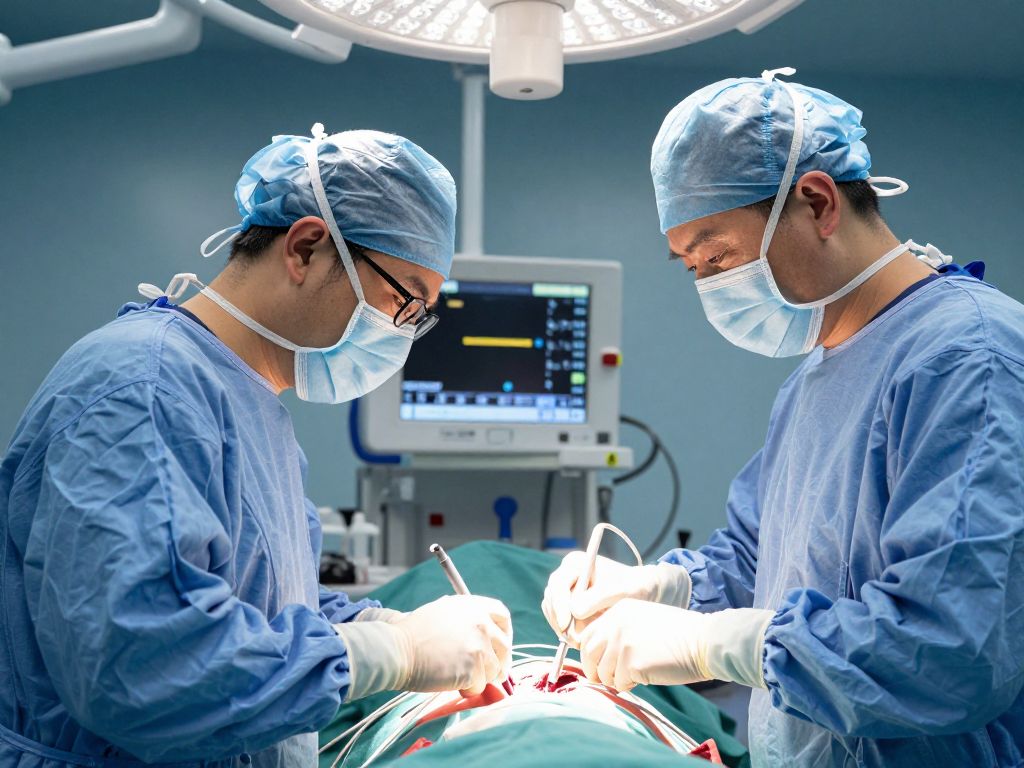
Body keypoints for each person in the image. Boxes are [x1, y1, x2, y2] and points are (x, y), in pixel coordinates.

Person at [542, 68, 1024, 766]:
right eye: (692, 268)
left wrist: (711, 644)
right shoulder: (817, 378)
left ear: (818, 202)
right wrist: (665, 588)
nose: (710, 286)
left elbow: (951, 650)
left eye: (718, 256)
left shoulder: (968, 363)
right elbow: (761, 561)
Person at [0, 124, 513, 768]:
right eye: (403, 299)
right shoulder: (143, 390)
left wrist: (379, 627)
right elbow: (143, 668)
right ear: (304, 248)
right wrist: (392, 656)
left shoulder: (249, 405)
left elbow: (262, 599)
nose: (402, 332)